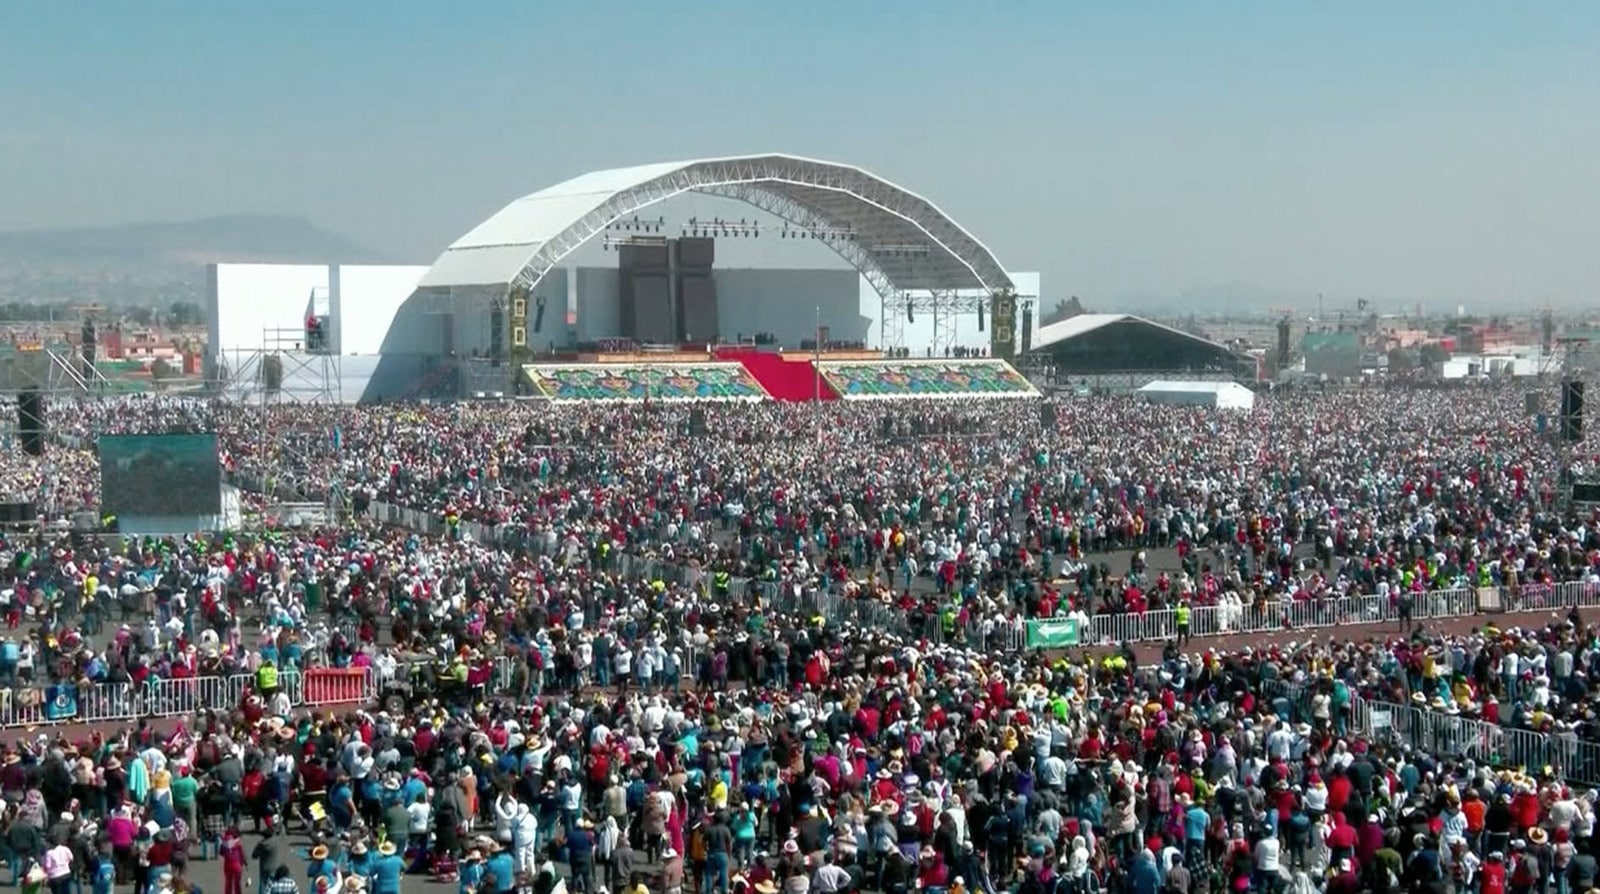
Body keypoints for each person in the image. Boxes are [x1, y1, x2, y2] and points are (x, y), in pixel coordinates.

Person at [219, 828, 245, 894]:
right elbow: (242, 854)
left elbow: (221, 853)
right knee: (237, 883)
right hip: (237, 865)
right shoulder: (237, 842)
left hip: (227, 864)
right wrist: (244, 863)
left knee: (228, 882)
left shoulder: (224, 843)